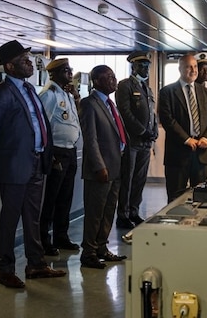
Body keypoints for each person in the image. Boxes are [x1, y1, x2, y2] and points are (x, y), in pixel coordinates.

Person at [0, 40, 66, 289]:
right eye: (25, 60)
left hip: (36, 163)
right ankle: (5, 269)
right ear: (10, 66)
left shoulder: (30, 90)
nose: (31, 63)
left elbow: (39, 124)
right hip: (14, 167)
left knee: (33, 218)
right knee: (10, 219)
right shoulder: (1, 94)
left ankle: (35, 264)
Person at [79, 65, 127, 269]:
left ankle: (101, 247)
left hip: (116, 166)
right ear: (96, 80)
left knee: (109, 211)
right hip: (100, 170)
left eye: (114, 76)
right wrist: (99, 166)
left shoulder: (110, 103)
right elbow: (91, 139)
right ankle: (88, 253)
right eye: (108, 77)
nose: (114, 80)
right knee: (95, 212)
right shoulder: (89, 104)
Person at [158, 54, 207, 203]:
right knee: (175, 198)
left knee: (201, 197)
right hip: (178, 153)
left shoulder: (205, 92)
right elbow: (167, 120)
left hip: (201, 152)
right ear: (180, 69)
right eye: (189, 67)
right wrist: (186, 139)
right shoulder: (167, 92)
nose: (193, 70)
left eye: (195, 66)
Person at [38, 58, 81, 256]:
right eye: (65, 70)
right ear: (53, 74)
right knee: (51, 199)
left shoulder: (67, 94)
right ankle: (44, 240)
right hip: (56, 152)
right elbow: (42, 126)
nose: (70, 73)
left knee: (65, 197)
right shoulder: (50, 95)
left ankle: (61, 236)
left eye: (70, 69)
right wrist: (50, 155)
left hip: (70, 151)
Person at [115, 51, 158, 230]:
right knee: (128, 178)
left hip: (145, 142)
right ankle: (123, 214)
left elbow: (152, 114)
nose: (145, 69)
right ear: (133, 66)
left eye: (147, 66)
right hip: (132, 141)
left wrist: (154, 131)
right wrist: (142, 131)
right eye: (142, 66)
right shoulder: (125, 86)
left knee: (140, 179)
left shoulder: (146, 88)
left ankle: (134, 211)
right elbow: (125, 113)